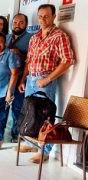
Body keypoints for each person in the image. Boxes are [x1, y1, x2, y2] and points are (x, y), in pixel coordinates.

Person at [17, 4, 75, 163]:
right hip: (31, 80)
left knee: (45, 116)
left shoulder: (59, 36)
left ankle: (45, 151)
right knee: (31, 114)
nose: (42, 19)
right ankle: (31, 143)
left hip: (45, 80)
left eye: (46, 16)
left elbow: (68, 60)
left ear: (54, 16)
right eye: (40, 16)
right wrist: (23, 79)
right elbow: (29, 61)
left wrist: (48, 79)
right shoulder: (34, 37)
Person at [6, 13, 33, 143]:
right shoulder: (6, 38)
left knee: (17, 107)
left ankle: (16, 134)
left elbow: (31, 60)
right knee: (2, 107)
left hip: (20, 79)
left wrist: (20, 54)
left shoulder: (30, 38)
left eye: (21, 22)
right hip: (5, 79)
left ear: (26, 24)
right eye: (15, 22)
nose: (17, 25)